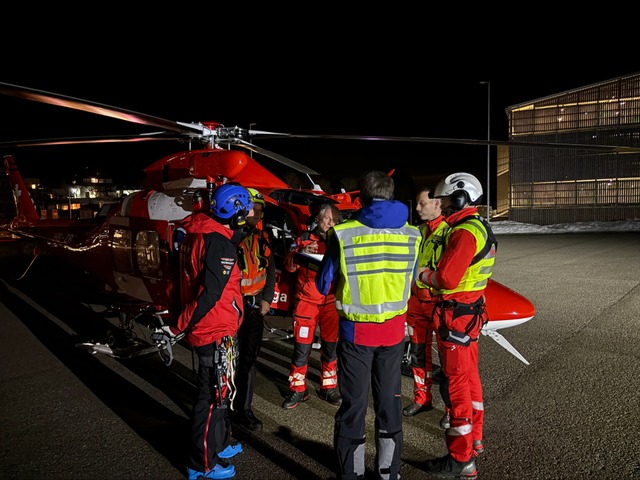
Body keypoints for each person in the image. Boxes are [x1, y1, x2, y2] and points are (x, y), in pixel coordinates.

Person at [316, 171, 421, 480]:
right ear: (391, 196)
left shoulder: (344, 234)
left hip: (356, 335)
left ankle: (352, 473)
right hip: (392, 335)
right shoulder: (413, 235)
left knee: (354, 407)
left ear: (360, 197)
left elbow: (324, 284)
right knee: (389, 405)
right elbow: (413, 281)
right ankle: (389, 472)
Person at [157, 183, 254, 480]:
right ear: (236, 212)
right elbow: (210, 293)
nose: (251, 213)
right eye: (247, 208)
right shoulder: (218, 243)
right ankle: (201, 465)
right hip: (214, 328)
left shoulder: (198, 231)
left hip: (217, 326)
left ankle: (219, 444)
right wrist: (178, 326)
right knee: (211, 398)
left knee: (222, 392)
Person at [418, 172, 497, 479]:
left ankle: (461, 459)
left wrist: (424, 275)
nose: (444, 205)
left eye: (448, 199)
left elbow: (447, 278)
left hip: (455, 318)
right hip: (469, 314)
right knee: (470, 379)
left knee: (457, 387)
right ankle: (475, 440)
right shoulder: (479, 226)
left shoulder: (464, 232)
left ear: (462, 198)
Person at [282, 203, 342, 409]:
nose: (331, 223)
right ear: (318, 218)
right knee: (301, 348)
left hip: (331, 302)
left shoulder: (341, 239)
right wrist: (301, 252)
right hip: (306, 302)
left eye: (335, 219)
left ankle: (329, 387)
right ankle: (298, 389)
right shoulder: (303, 238)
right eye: (327, 218)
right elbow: (289, 267)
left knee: (331, 348)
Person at [231, 187, 276, 431]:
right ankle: (222, 407)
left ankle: (243, 409)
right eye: (254, 211)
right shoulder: (229, 236)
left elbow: (270, 268)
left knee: (248, 360)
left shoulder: (262, 237)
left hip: (253, 307)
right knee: (226, 360)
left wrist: (267, 298)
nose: (258, 216)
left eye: (260, 212)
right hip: (230, 308)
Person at [402, 186, 448, 417]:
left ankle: (452, 411)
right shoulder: (417, 231)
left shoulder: (450, 233)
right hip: (416, 305)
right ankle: (422, 398)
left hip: (439, 305)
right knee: (418, 354)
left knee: (449, 361)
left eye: (422, 203)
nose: (417, 208)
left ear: (437, 204)